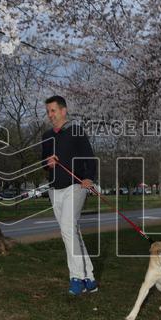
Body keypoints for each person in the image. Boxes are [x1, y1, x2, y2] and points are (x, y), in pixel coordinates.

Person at [41, 95, 97, 295]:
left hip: (76, 186)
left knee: (67, 228)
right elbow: (43, 163)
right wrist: (48, 163)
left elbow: (90, 158)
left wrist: (89, 178)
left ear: (63, 110)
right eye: (48, 111)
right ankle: (90, 278)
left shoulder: (76, 131)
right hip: (54, 189)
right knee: (72, 231)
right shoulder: (46, 136)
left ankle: (77, 277)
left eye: (53, 110)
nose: (50, 115)